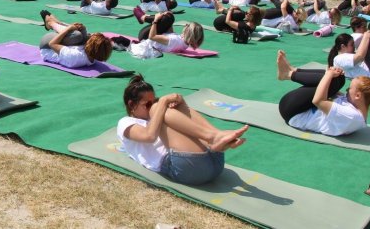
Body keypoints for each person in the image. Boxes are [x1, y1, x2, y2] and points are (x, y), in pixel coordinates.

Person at [119, 75, 248, 185]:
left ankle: (215, 137)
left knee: (174, 107)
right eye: (147, 104)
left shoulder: (154, 115)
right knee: (158, 109)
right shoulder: (125, 123)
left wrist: (181, 104)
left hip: (214, 162)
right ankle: (213, 137)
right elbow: (150, 136)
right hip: (187, 167)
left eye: (154, 101)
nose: (151, 106)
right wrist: (162, 102)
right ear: (131, 105)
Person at [275, 50, 370, 136]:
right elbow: (335, 94)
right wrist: (334, 74)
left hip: (293, 112)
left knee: (332, 80)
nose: (346, 91)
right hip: (300, 107)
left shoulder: (351, 116)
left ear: (358, 95)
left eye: (349, 89)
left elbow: (318, 101)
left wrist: (328, 75)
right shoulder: (356, 106)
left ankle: (287, 74)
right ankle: (293, 71)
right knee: (339, 78)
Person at [38, 12, 113, 67]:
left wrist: (68, 29)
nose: (90, 37)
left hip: (47, 46)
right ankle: (58, 23)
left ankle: (51, 23)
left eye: (90, 39)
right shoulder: (94, 54)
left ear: (91, 46)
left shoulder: (75, 56)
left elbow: (52, 44)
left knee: (76, 35)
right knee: (81, 31)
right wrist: (83, 29)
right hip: (62, 44)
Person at [129, 12, 204, 58]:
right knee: (169, 17)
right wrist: (170, 20)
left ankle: (143, 17)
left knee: (165, 18)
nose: (185, 25)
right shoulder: (184, 43)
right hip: (157, 37)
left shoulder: (173, 40)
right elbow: (170, 34)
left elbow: (151, 37)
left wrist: (155, 20)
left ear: (188, 32)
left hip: (145, 37)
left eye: (187, 26)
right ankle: (144, 17)